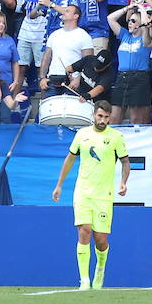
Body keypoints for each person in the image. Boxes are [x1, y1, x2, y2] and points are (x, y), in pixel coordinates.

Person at [50, 99, 129, 290]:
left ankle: (100, 268)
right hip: (83, 192)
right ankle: (84, 280)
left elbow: (125, 162)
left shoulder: (116, 137)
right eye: (100, 116)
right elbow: (70, 159)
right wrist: (59, 185)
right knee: (83, 231)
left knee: (100, 240)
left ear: (110, 118)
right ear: (94, 115)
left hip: (104, 195)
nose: (103, 120)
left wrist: (123, 182)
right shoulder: (82, 135)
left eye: (106, 117)